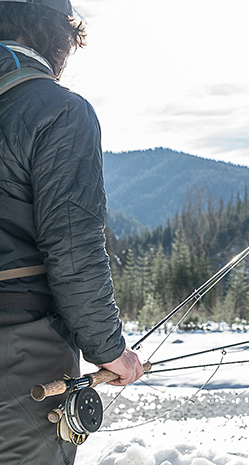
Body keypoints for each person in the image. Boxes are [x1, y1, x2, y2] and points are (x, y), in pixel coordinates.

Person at [0, 1, 144, 463]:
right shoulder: (59, 111)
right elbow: (75, 254)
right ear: (54, 32)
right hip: (21, 349)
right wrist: (110, 350)